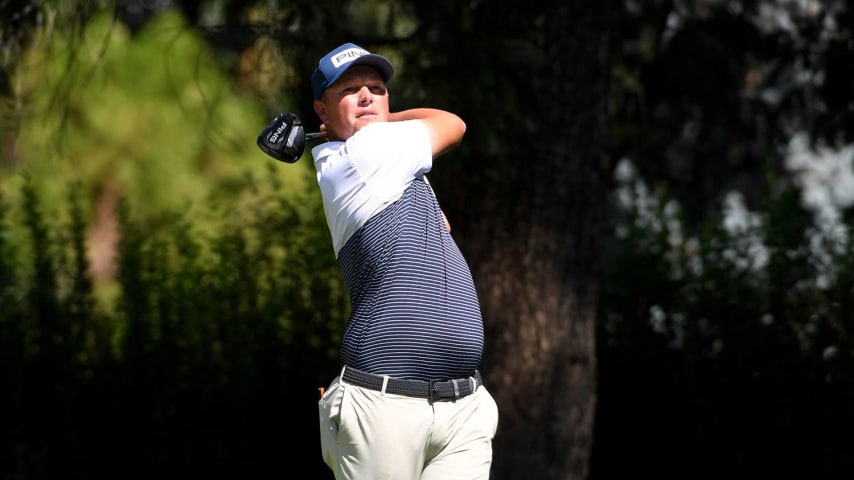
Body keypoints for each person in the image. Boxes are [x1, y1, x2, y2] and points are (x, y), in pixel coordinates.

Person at [310, 42, 499, 480]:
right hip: (385, 405)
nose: (366, 98)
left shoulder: (385, 161)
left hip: (462, 405)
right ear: (322, 109)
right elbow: (452, 124)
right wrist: (386, 120)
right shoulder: (364, 154)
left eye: (376, 89)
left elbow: (439, 229)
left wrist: (363, 123)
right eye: (350, 91)